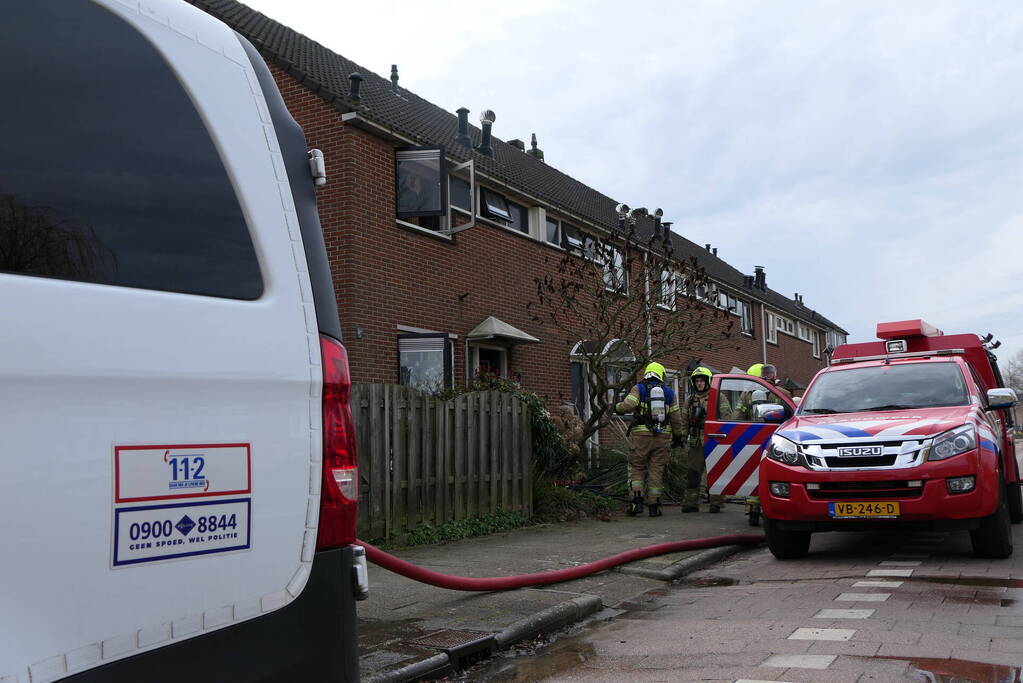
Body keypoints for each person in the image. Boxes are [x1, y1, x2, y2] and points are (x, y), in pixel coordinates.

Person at [615, 362, 683, 517]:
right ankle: (654, 507)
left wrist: (616, 407)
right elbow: (676, 418)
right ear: (661, 375)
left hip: (641, 438)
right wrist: (678, 436)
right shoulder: (669, 393)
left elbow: (628, 405)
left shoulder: (639, 388)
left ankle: (636, 503)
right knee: (656, 471)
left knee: (637, 468)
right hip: (662, 438)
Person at [678, 367, 730, 513]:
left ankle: (716, 503)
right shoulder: (690, 399)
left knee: (715, 472)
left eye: (702, 380)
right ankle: (690, 503)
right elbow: (684, 420)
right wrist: (682, 437)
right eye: (697, 381)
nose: (699, 383)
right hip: (696, 441)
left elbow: (726, 418)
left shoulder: (718, 397)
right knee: (693, 473)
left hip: (714, 440)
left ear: (708, 382)